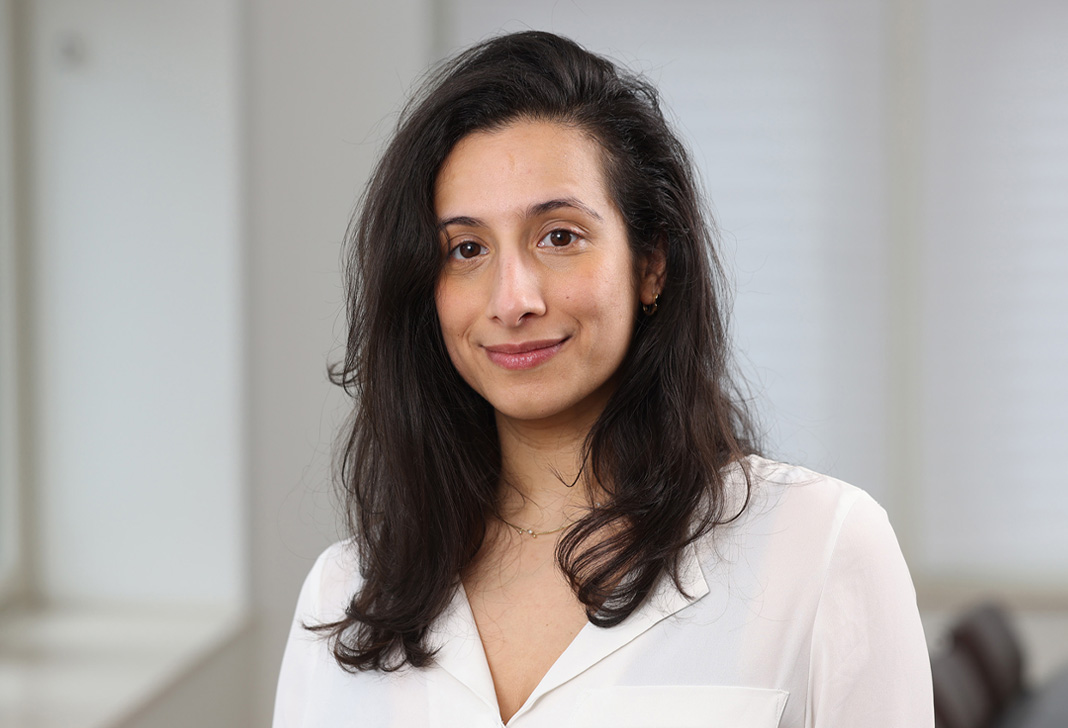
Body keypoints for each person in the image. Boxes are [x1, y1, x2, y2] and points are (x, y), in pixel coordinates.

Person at [273, 31, 933, 727]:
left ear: (651, 263)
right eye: (466, 249)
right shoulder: (345, 594)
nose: (513, 300)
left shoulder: (818, 547)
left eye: (559, 236)